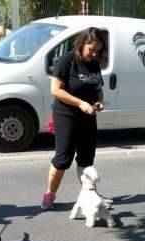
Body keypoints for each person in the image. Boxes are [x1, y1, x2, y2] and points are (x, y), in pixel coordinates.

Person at [41, 28, 106, 210]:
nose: (94, 54)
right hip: (66, 116)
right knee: (63, 159)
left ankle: (90, 195)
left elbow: (98, 88)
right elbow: (56, 90)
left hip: (88, 116)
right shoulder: (66, 61)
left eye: (97, 51)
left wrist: (99, 102)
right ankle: (49, 194)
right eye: (91, 49)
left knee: (86, 160)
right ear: (82, 43)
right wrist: (79, 103)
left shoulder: (94, 64)